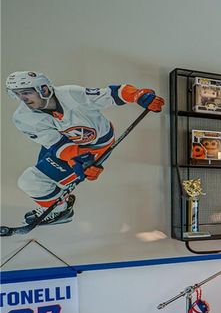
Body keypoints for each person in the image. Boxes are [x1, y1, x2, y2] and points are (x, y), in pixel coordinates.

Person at [6, 70, 163, 226]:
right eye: (17, 94)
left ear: (44, 89)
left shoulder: (71, 94)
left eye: (26, 92)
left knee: (31, 181)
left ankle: (60, 209)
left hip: (96, 146)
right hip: (63, 144)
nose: (23, 99)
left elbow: (109, 94)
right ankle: (60, 206)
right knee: (32, 180)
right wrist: (77, 160)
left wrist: (138, 95)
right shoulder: (22, 117)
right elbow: (55, 143)